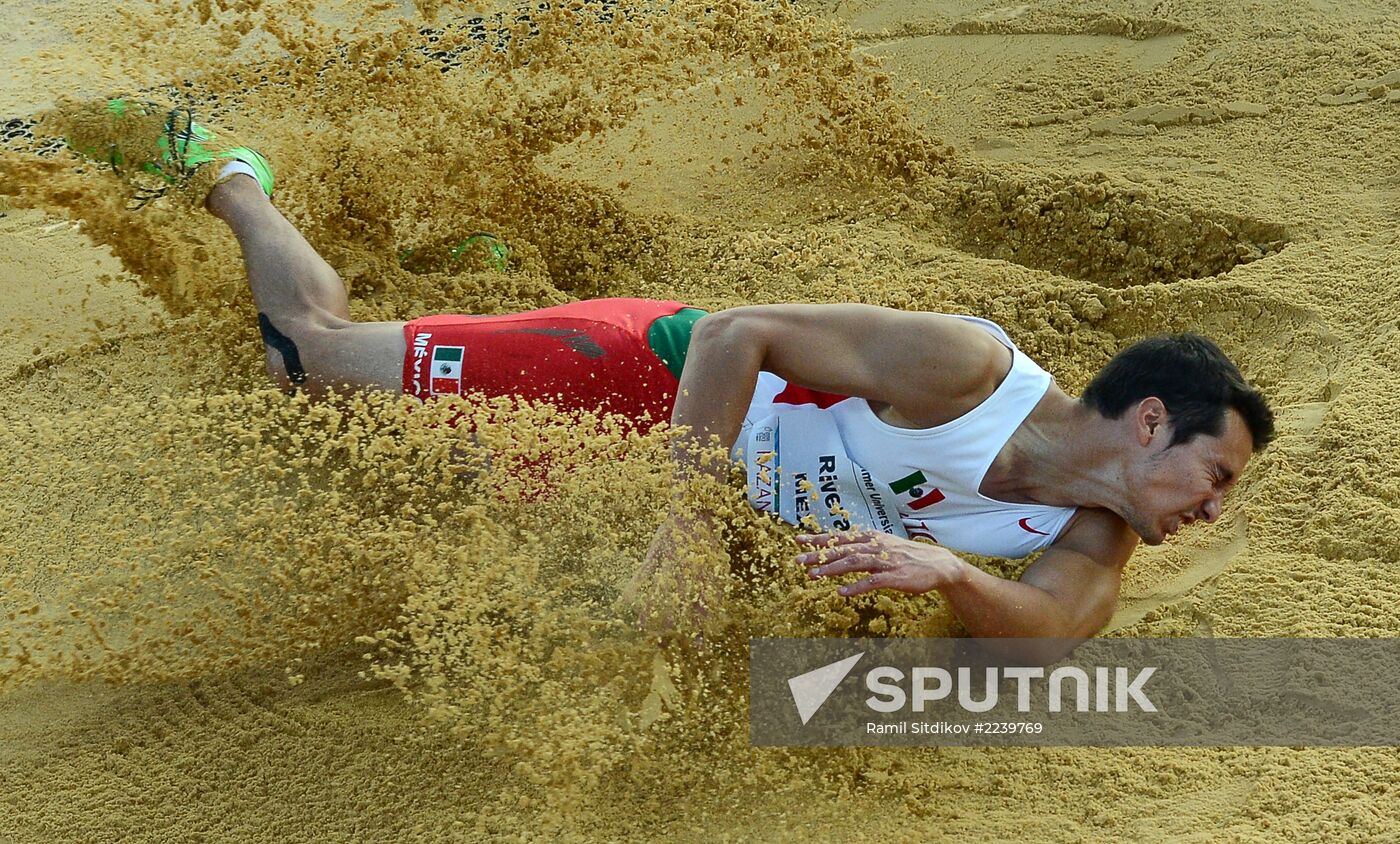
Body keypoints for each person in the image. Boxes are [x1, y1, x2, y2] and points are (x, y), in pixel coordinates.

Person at [59, 98, 1275, 649]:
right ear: (1146, 422)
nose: (1212, 510)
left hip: (687, 491)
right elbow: (741, 332)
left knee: (438, 511)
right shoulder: (965, 369)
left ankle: (462, 282)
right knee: (307, 367)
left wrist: (950, 572)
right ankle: (221, 167)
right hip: (652, 379)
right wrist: (684, 515)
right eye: (1213, 477)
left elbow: (1048, 633)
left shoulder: (1090, 534)